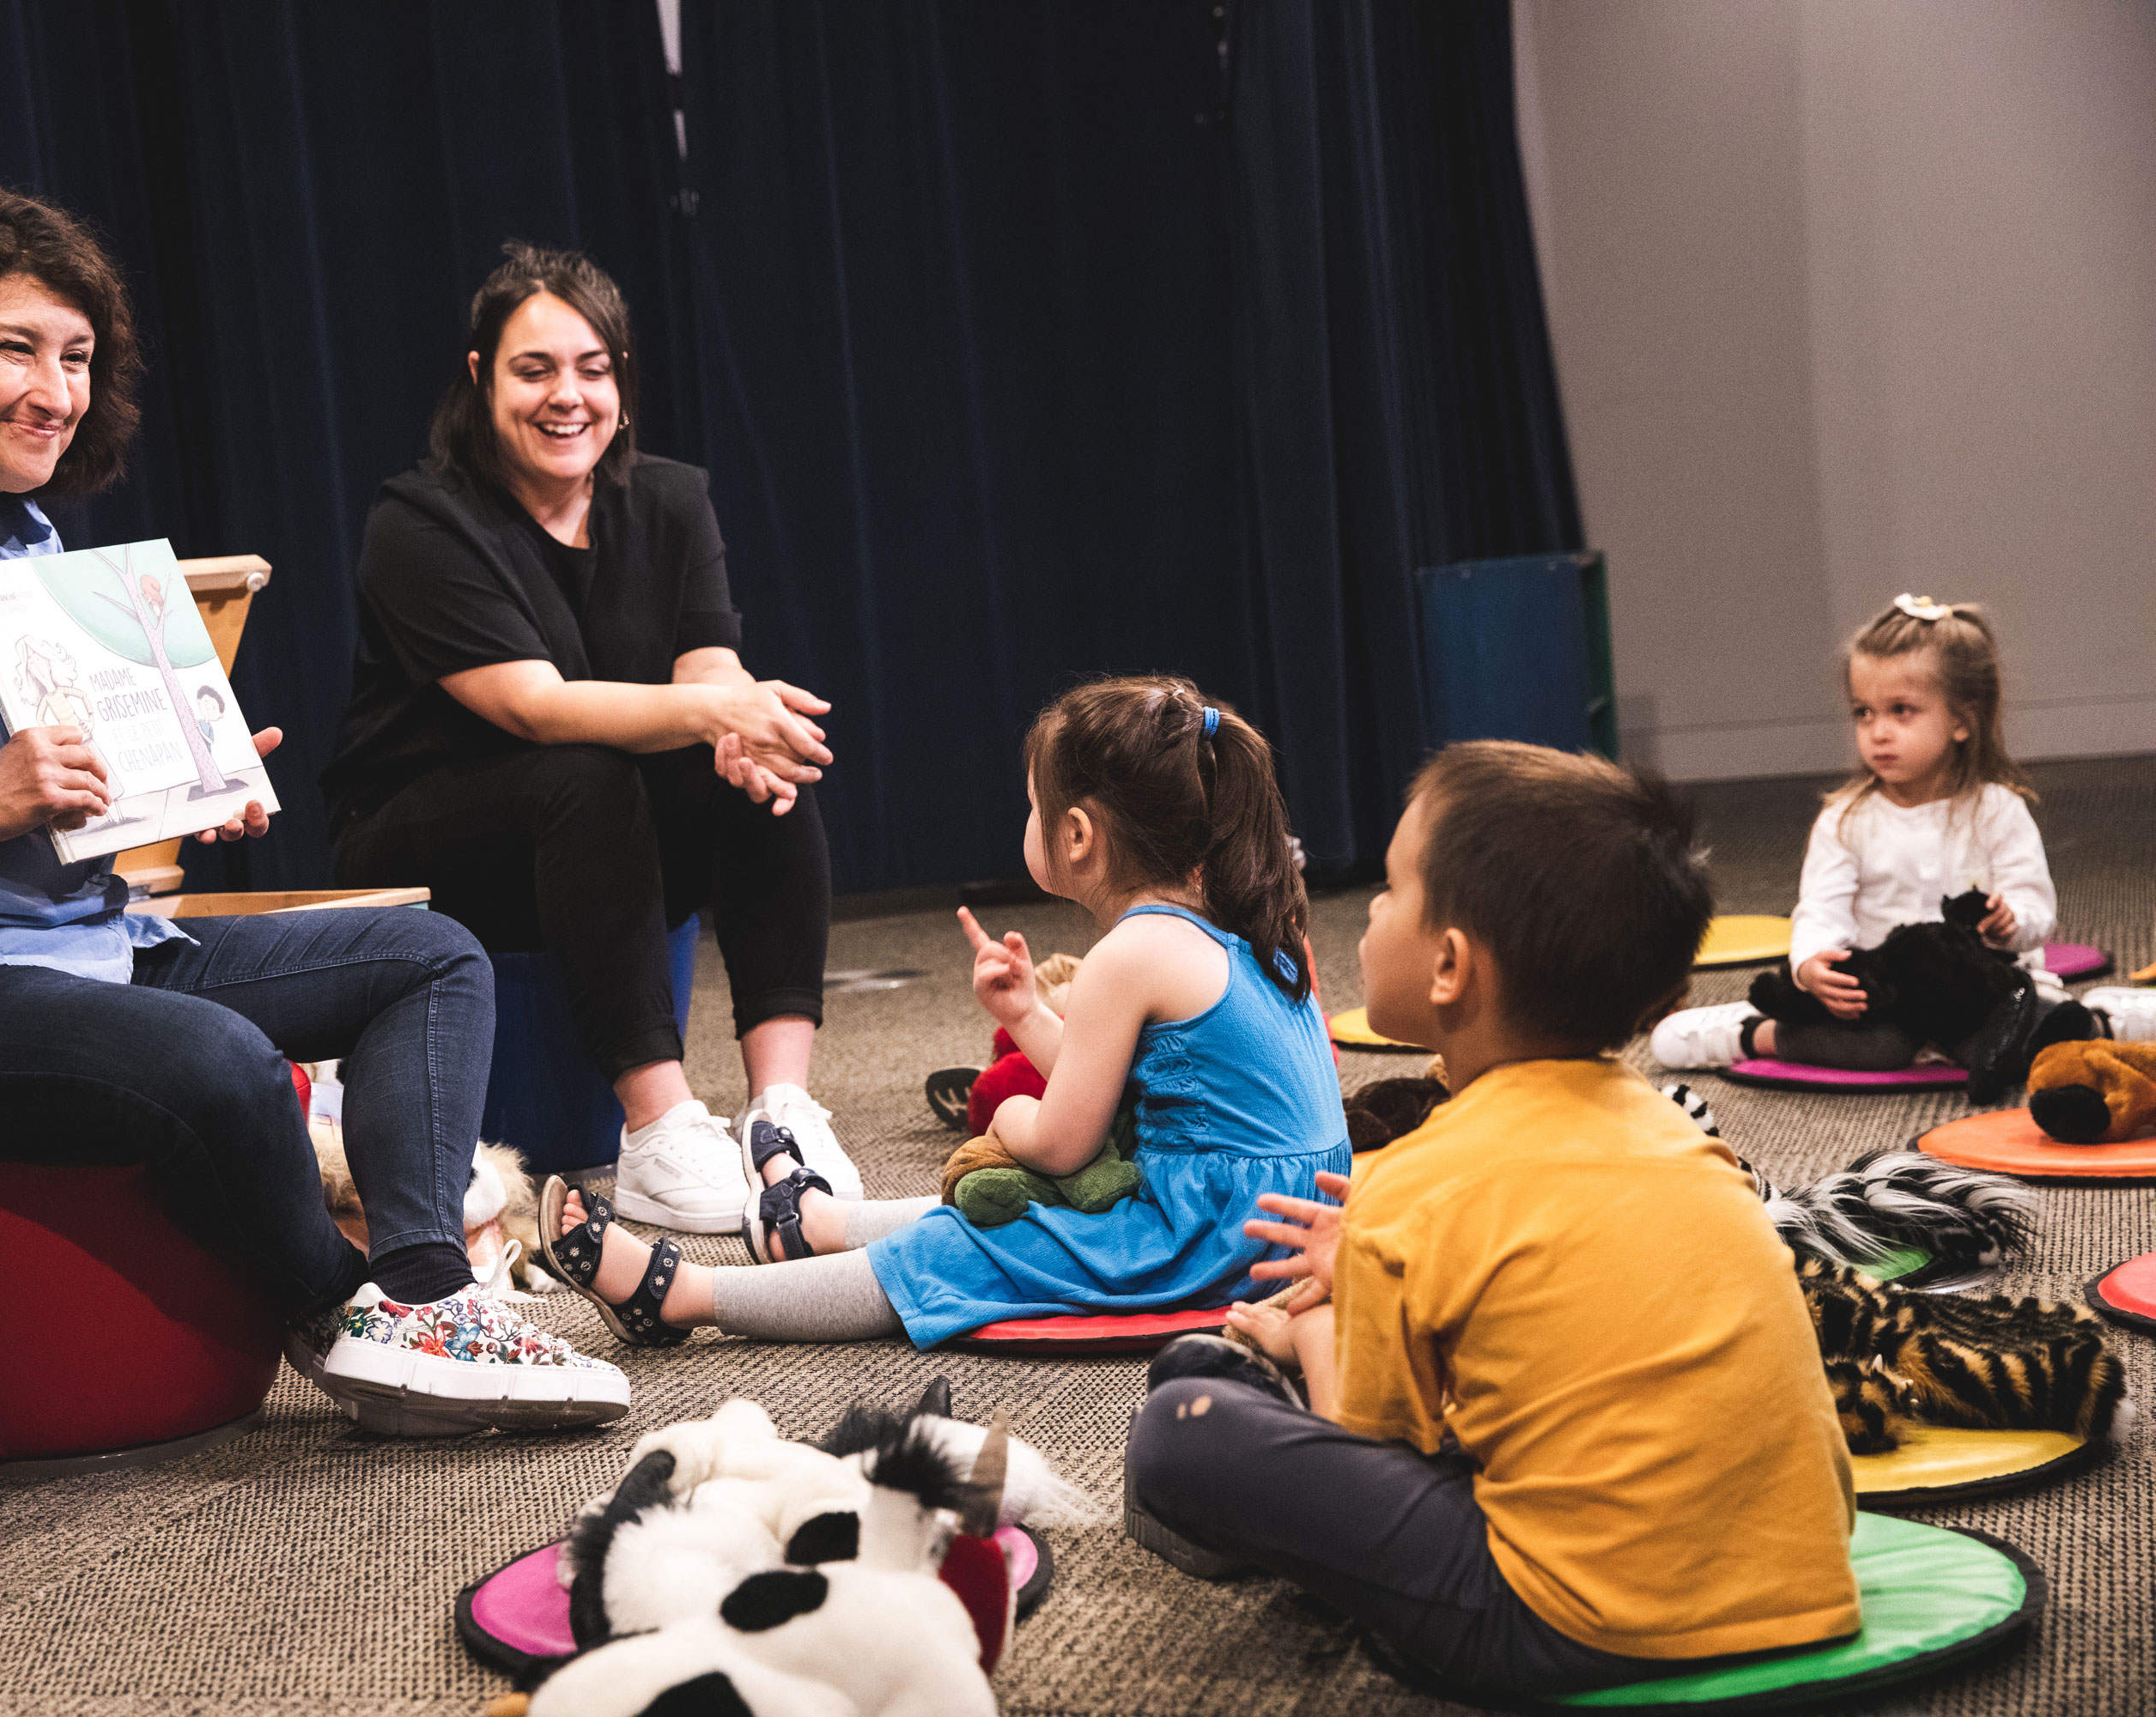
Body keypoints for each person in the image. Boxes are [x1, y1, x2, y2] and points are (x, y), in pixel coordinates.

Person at [0, 184, 620, 1437]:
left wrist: (175, 791)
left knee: (427, 956)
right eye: (17, 348)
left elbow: (53, 810)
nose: (57, 389)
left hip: (79, 955)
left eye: (80, 357)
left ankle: (420, 1295)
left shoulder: (30, 548)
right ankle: (342, 1318)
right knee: (222, 1063)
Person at [1126, 742, 1861, 1699]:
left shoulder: (1418, 1179)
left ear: (1449, 966)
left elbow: (1375, 1444)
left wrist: (1317, 1318)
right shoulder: (1682, 1138)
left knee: (1187, 1417)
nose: (1373, 909)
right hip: (1805, 1579)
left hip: (1562, 1627)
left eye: (1391, 888)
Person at [531, 676, 1350, 1350]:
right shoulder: (1242, 916)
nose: (1026, 823)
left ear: (1075, 836)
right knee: (1023, 1197)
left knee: (970, 1241)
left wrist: (1020, 1120)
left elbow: (1065, 1146)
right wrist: (1030, 1015)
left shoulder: (1133, 952)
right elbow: (1136, 1082)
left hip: (1216, 1239)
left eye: (1032, 809)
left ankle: (678, 1296)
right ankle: (819, 1223)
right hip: (1287, 1220)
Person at [322, 242, 855, 1235]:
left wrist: (740, 725)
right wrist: (712, 712)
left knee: (768, 757)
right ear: (482, 376)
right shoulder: (420, 522)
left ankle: (780, 1112)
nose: (568, 396)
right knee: (585, 768)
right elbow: (536, 705)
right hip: (424, 837)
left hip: (594, 833)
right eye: (535, 370)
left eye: (593, 368)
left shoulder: (668, 499)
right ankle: (655, 1127)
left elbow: (707, 666)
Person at [1651, 594, 2154, 1073]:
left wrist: (2011, 921)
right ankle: (1748, 1032)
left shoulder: (1997, 809)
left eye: (1901, 711)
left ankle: (2105, 1018)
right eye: (1863, 713)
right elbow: (1820, 911)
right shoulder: (1846, 819)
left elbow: (2036, 910)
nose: (1878, 731)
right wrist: (1810, 968)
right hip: (1885, 995)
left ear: (1961, 722)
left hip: (1984, 989)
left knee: (2016, 1039)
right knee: (1879, 1049)